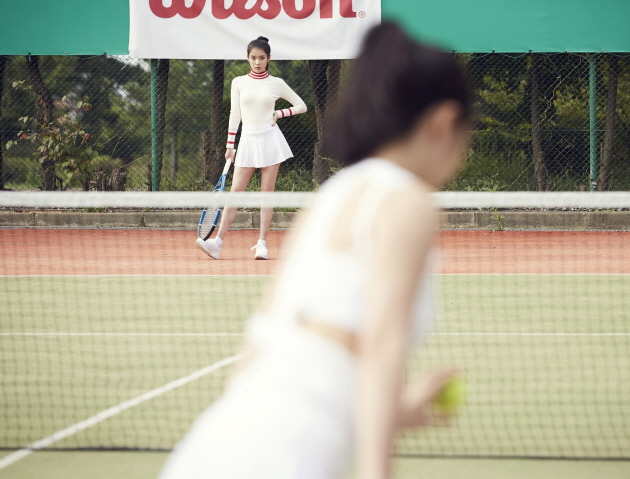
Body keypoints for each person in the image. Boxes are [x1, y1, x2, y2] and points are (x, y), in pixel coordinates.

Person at [160, 22, 471, 479]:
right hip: (283, 459)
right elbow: (381, 353)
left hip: (216, 446)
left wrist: (397, 411)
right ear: (443, 124)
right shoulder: (408, 203)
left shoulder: (333, 197)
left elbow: (260, 345)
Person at [196, 36, 307, 260]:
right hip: (246, 140)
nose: (257, 62)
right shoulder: (238, 82)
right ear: (247, 58)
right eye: (253, 58)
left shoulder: (276, 83)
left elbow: (301, 106)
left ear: (269, 59)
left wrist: (279, 113)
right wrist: (229, 145)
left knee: (267, 193)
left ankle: (262, 245)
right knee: (235, 193)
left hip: (270, 139)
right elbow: (234, 115)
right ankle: (217, 243)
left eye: (262, 58)